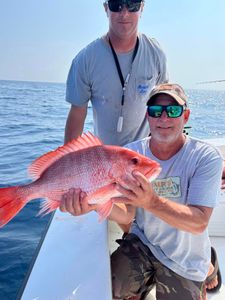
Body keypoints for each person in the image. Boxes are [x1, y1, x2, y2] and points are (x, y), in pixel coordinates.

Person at [60, 83, 223, 299]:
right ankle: (143, 285)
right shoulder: (132, 153)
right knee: (108, 290)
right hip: (145, 243)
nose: (163, 118)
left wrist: (151, 202)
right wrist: (94, 204)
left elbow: (199, 222)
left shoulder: (205, 157)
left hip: (186, 256)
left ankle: (207, 261)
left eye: (173, 111)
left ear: (186, 116)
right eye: (156, 111)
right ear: (148, 116)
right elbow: (127, 214)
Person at [64, 0, 168, 147]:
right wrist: (68, 166)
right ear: (106, 9)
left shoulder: (155, 53)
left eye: (132, 5)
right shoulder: (85, 59)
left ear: (142, 8)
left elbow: (164, 103)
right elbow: (77, 113)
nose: (124, 13)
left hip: (144, 158)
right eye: (116, 4)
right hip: (105, 161)